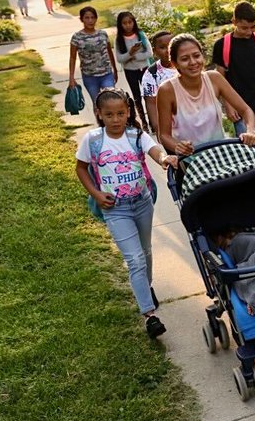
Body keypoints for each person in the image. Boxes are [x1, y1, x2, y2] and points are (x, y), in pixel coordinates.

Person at [74, 89, 178, 338]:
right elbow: (81, 169)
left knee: (146, 252)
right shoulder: (93, 140)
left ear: (128, 112)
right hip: (115, 209)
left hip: (141, 203)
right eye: (109, 115)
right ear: (99, 114)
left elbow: (155, 151)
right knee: (134, 259)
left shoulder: (136, 135)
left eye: (121, 113)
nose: (116, 119)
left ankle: (147, 286)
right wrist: (97, 194)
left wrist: (164, 160)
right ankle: (149, 315)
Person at [157, 33, 255, 156]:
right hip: (191, 159)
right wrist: (178, 146)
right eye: (184, 59)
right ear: (175, 63)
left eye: (196, 56)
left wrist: (251, 131)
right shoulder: (167, 90)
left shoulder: (214, 78)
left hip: (220, 153)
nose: (193, 62)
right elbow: (164, 135)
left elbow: (246, 110)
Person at [211, 2, 255, 157]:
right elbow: (220, 78)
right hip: (239, 108)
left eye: (253, 27)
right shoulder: (222, 45)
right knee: (247, 152)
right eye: (245, 28)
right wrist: (228, 106)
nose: (249, 32)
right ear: (234, 22)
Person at [68, 6, 118, 108]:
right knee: (97, 105)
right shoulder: (77, 37)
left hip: (106, 74)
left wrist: (115, 70)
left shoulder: (103, 34)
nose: (90, 20)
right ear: (82, 19)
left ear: (96, 18)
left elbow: (109, 52)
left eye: (92, 17)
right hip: (89, 76)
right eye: (87, 18)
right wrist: (71, 78)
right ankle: (101, 123)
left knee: (110, 101)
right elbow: (72, 58)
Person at [115, 11, 153, 129]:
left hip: (144, 69)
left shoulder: (140, 34)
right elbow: (120, 58)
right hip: (130, 70)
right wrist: (130, 54)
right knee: (137, 96)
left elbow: (150, 53)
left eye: (130, 22)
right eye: (124, 23)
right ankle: (144, 122)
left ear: (134, 22)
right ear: (120, 25)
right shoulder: (119, 39)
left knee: (149, 95)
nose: (128, 25)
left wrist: (136, 56)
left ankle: (152, 121)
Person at [139, 30, 176, 137]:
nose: (168, 50)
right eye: (163, 47)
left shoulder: (186, 65)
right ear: (155, 51)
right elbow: (151, 103)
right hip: (171, 128)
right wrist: (158, 130)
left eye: (171, 46)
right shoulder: (152, 74)